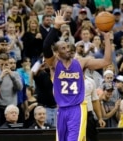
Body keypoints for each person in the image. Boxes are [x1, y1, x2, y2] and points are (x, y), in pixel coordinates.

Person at [43, 11, 112, 141]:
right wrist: (56, 27)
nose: (67, 49)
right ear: (57, 53)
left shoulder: (81, 62)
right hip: (61, 110)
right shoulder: (54, 63)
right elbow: (46, 46)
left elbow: (106, 61)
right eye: (63, 48)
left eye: (68, 47)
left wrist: (107, 38)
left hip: (77, 109)